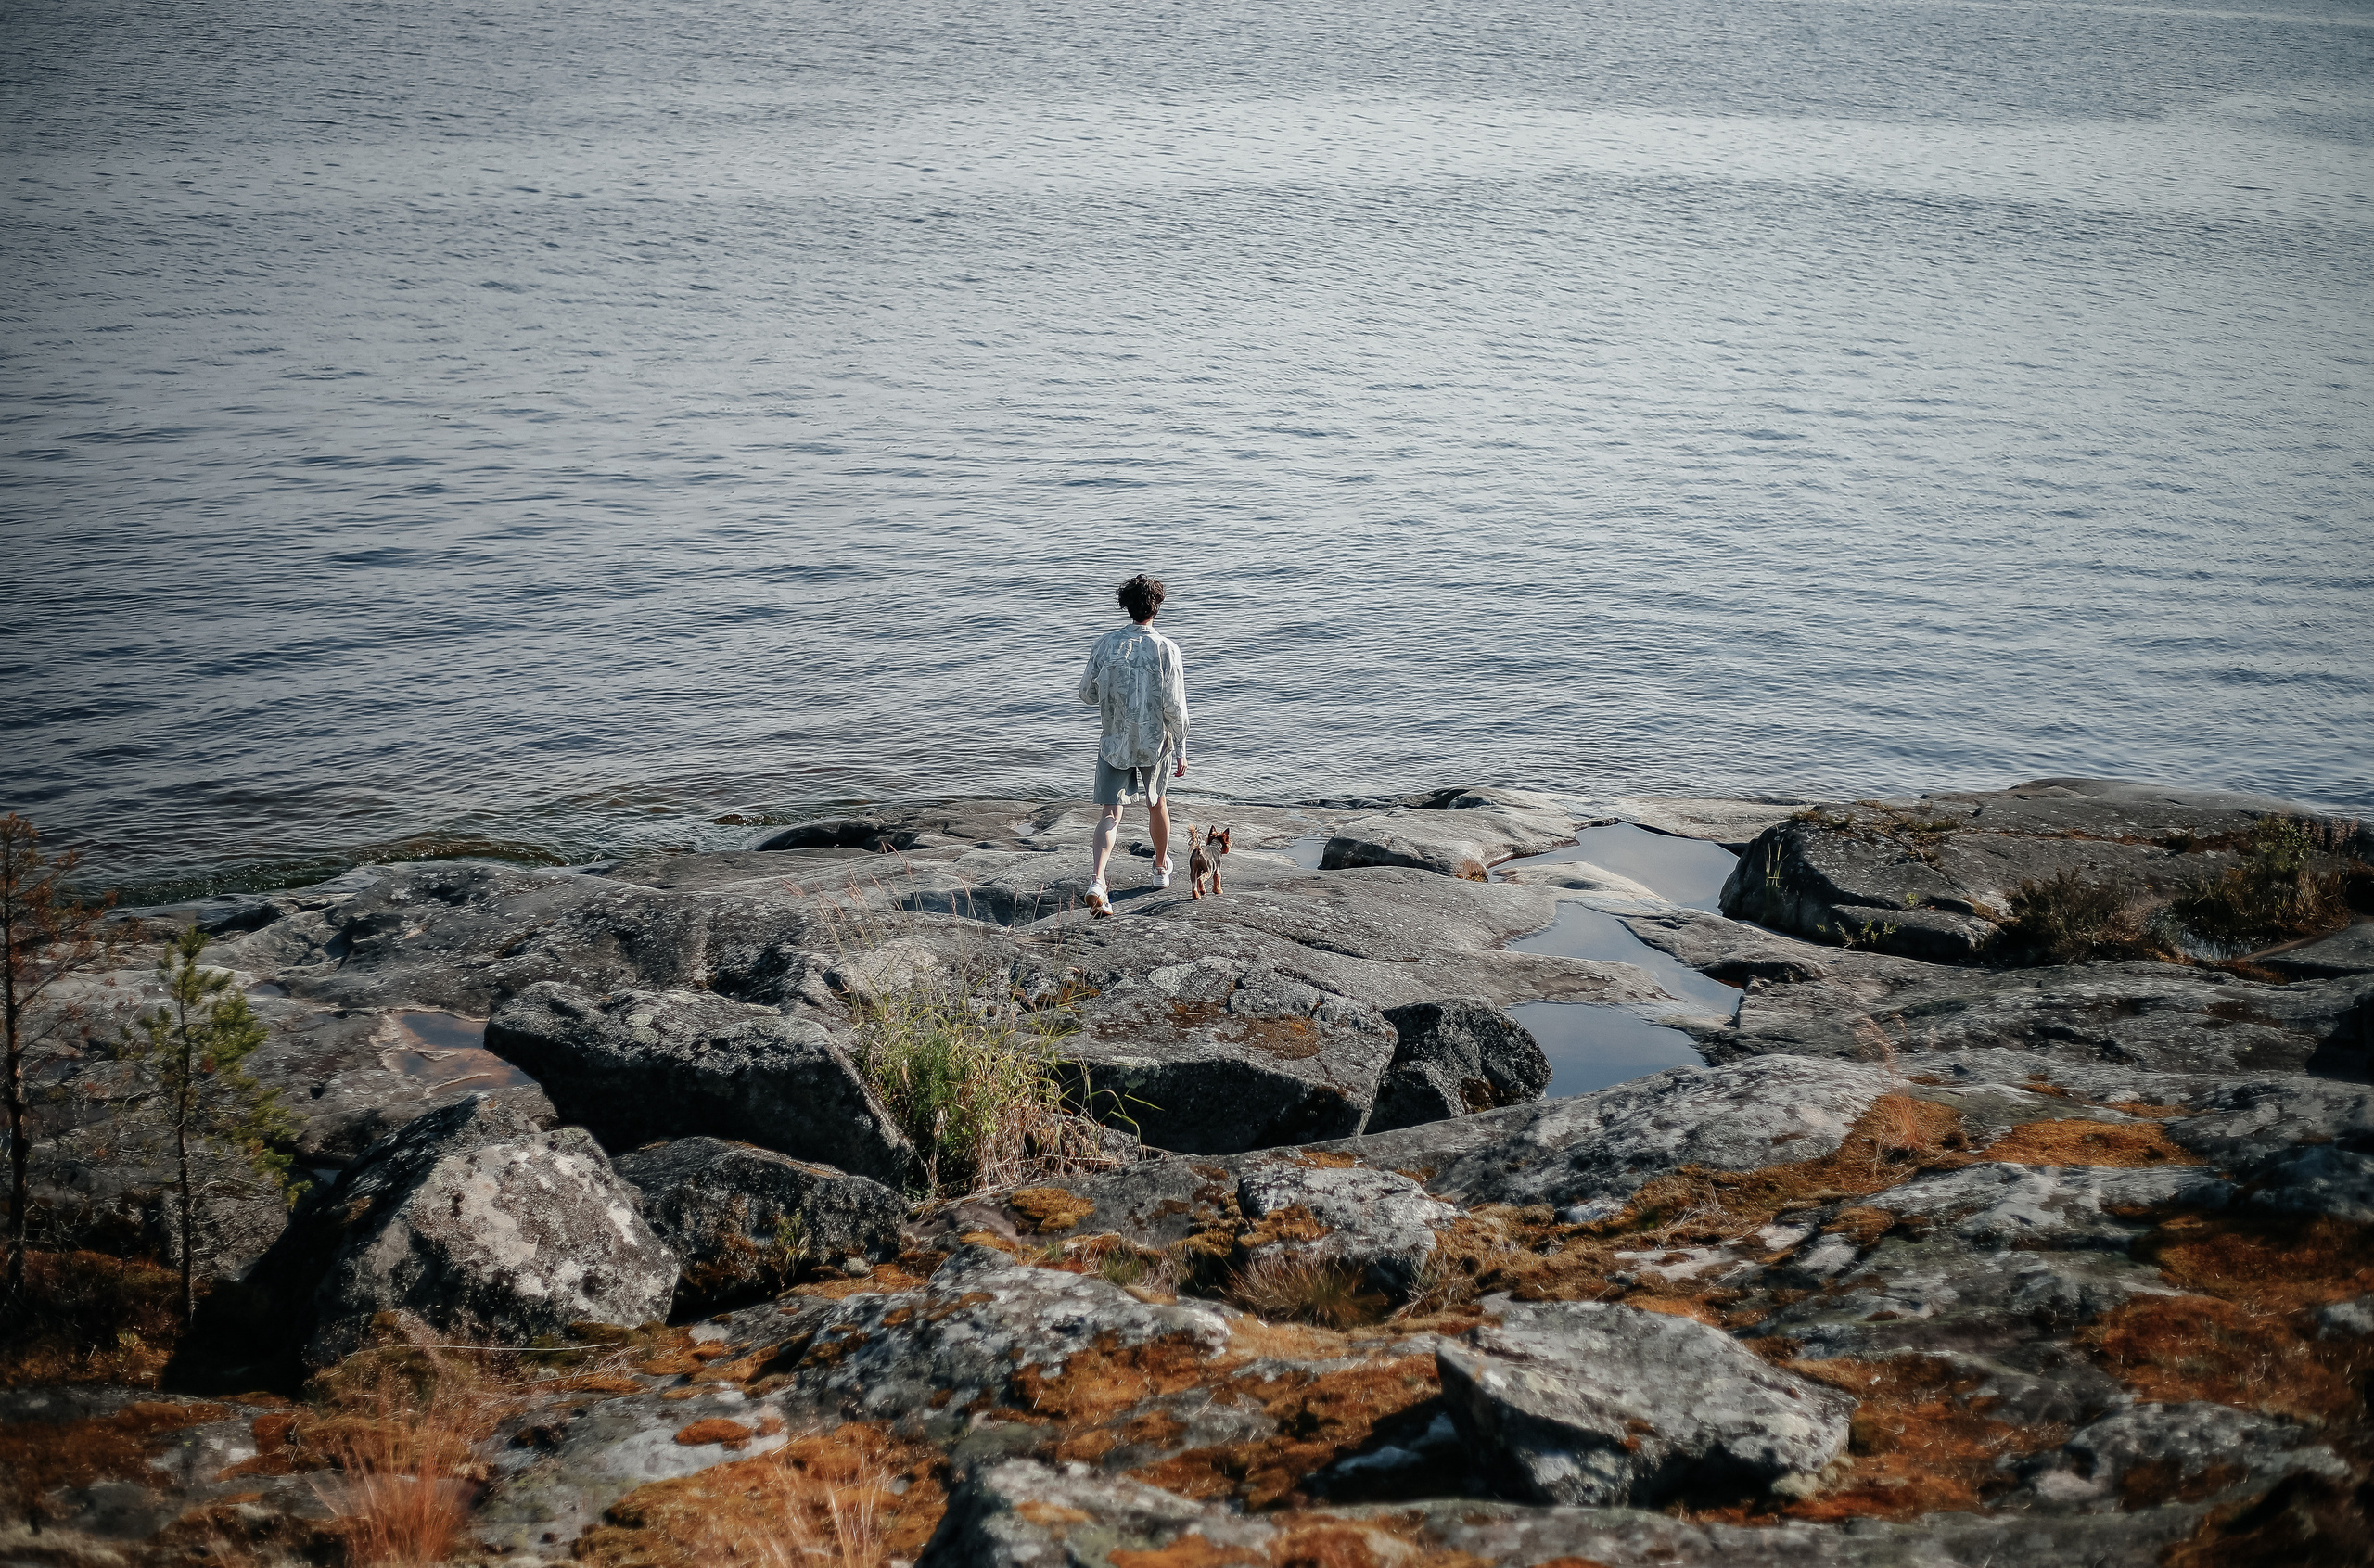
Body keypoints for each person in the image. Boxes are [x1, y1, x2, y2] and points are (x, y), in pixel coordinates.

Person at [1079, 574, 1189, 915]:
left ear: (1125, 606)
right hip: (1155, 741)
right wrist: (1181, 745)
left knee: (1110, 814)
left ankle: (1098, 881)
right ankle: (1159, 868)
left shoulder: (1105, 644)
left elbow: (1086, 694)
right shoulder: (1166, 648)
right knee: (1157, 803)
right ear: (1157, 607)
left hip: (1115, 740)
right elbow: (1175, 705)